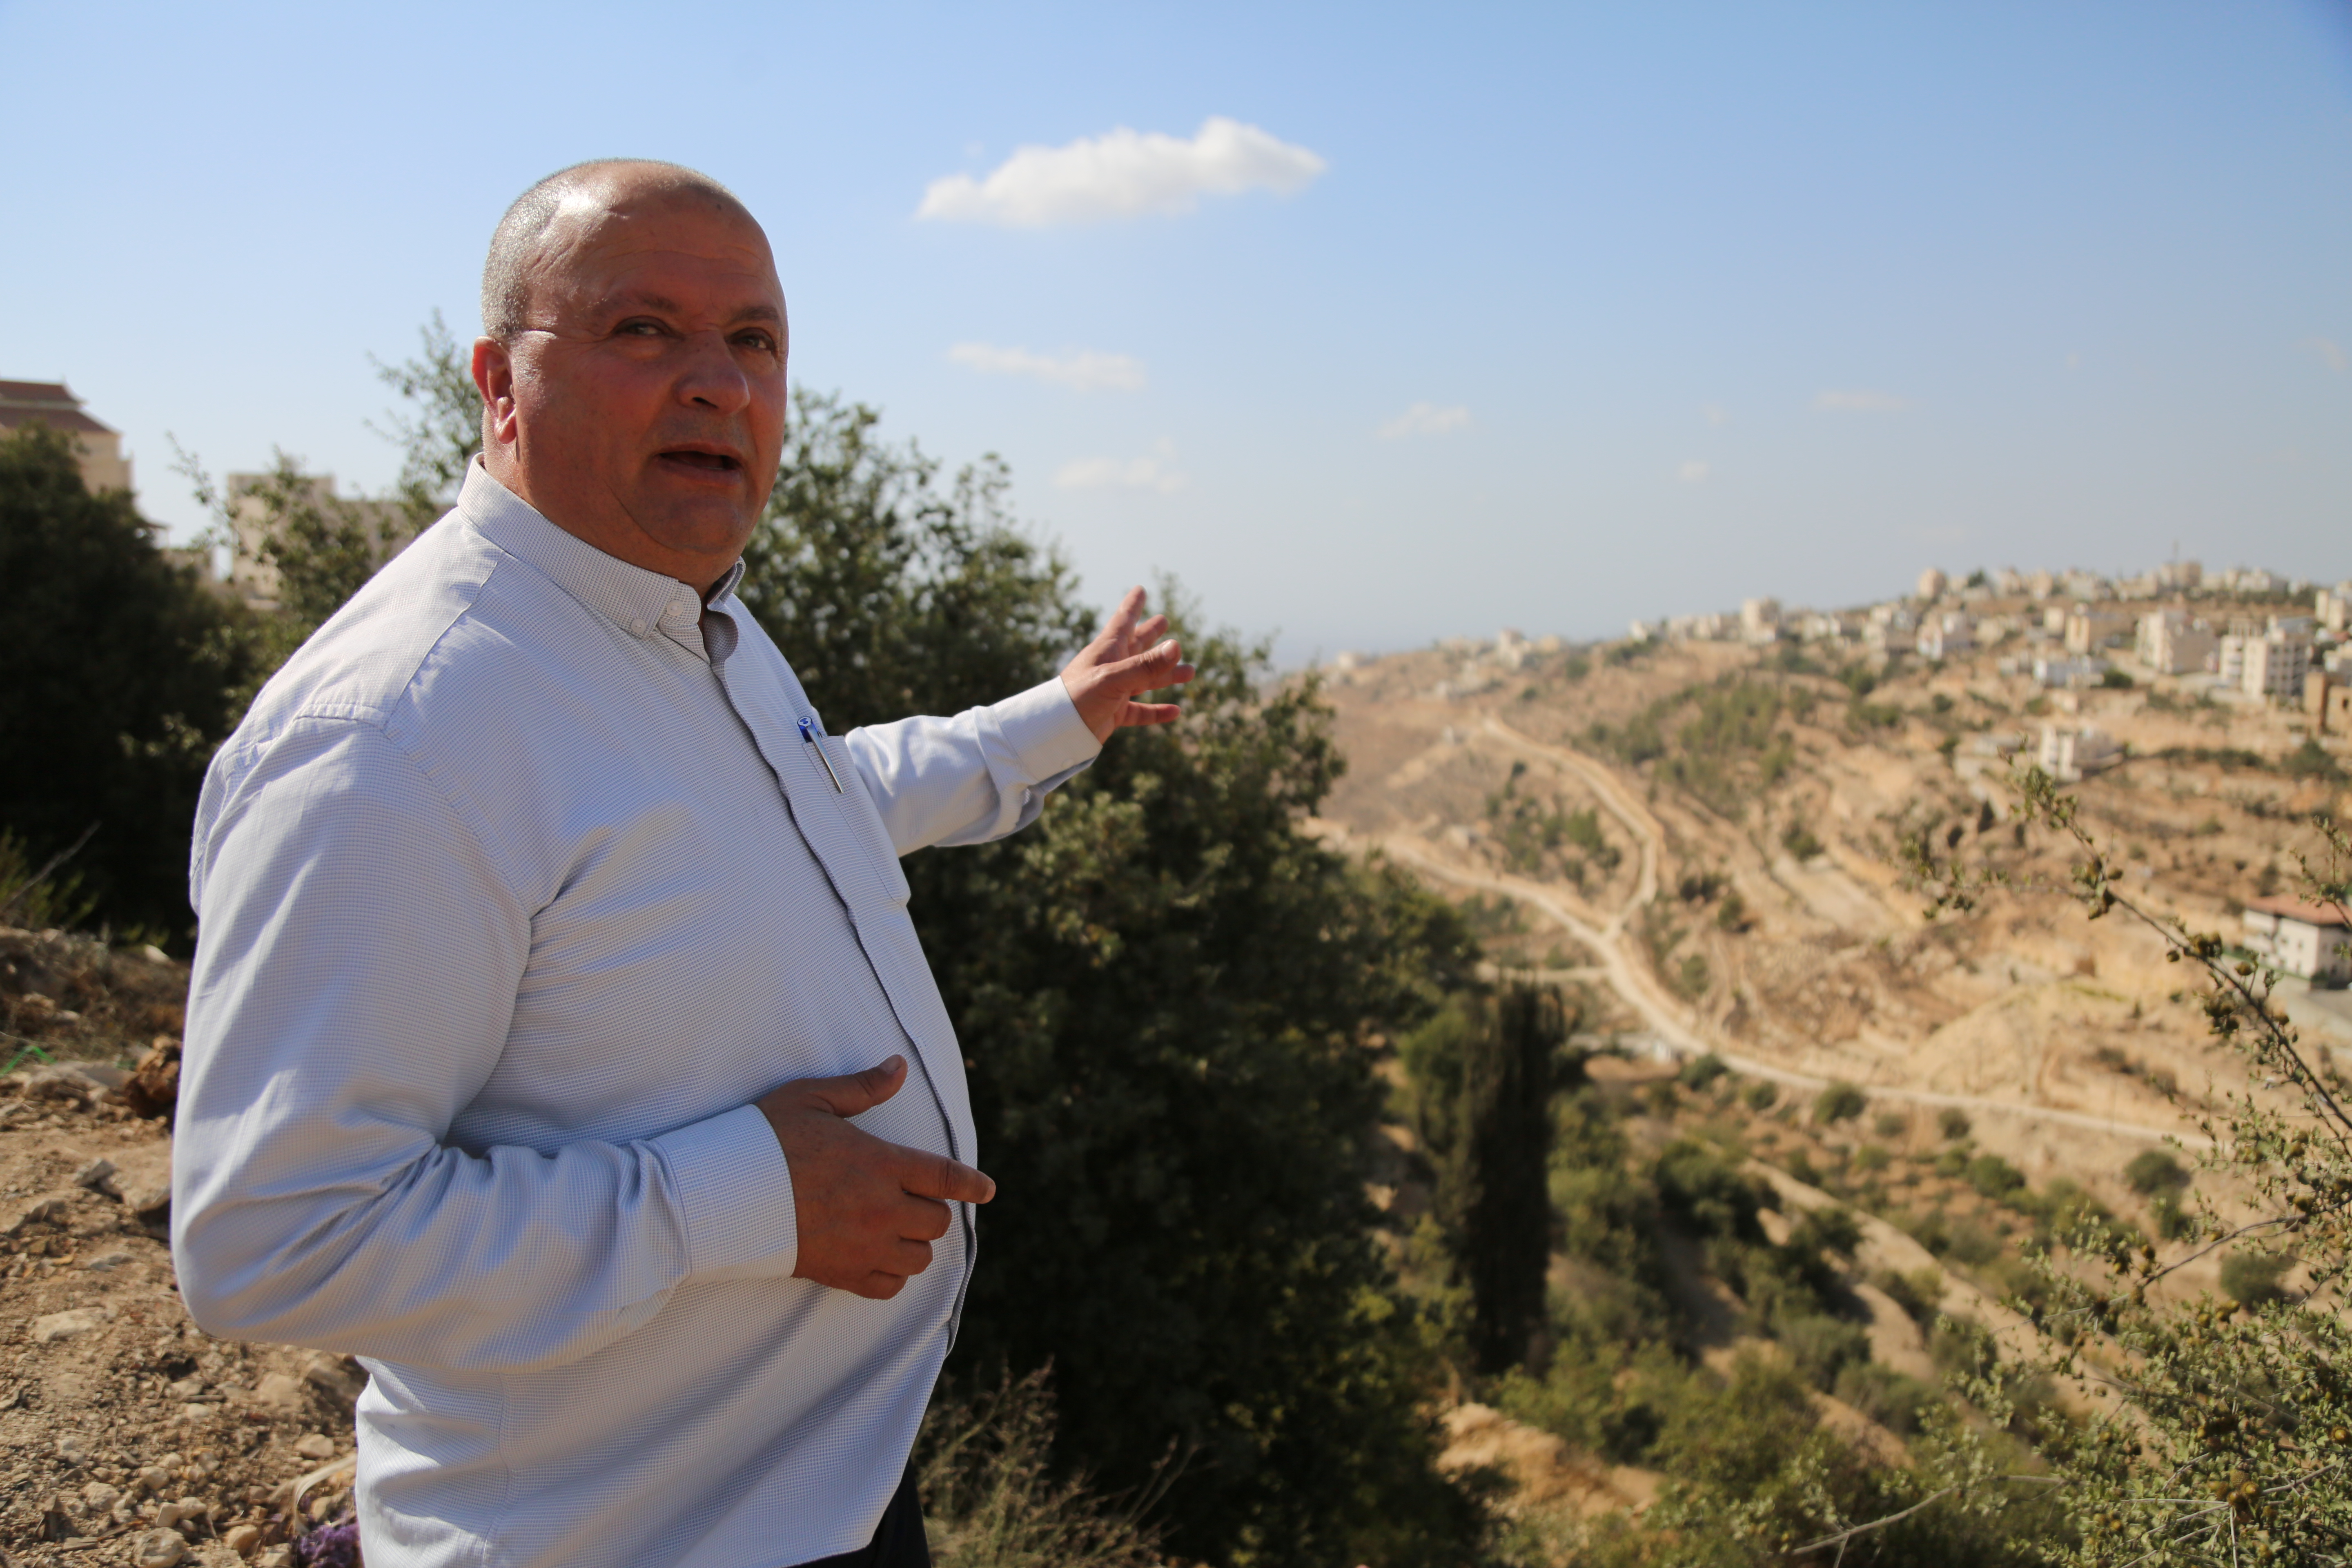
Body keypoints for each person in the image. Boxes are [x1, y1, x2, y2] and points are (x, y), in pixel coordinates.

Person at [172, 158, 1192, 1568]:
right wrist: (739, 1203)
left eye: (754, 340)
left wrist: (1045, 727)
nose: (718, 382)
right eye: (643, 329)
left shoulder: (681, 619)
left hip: (808, 1489)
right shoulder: (400, 736)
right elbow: (276, 1240)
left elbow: (808, 811)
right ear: (498, 383)